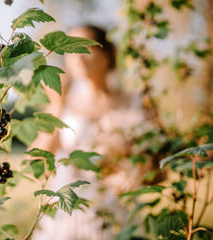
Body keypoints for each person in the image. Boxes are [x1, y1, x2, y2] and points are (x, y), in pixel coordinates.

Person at [31, 26, 151, 240]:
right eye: (69, 49)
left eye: (83, 46)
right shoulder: (61, 105)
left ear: (106, 55)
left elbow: (154, 159)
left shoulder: (135, 103)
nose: (75, 55)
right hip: (68, 215)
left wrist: (136, 175)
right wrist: (57, 106)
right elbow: (38, 165)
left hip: (118, 213)